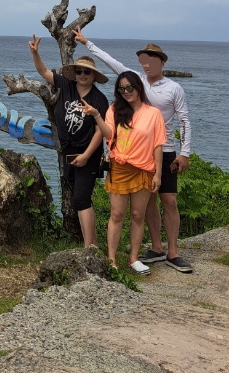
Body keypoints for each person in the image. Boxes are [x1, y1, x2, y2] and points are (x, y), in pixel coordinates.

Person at [73, 29, 193, 273]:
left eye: (152, 60)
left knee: (169, 201)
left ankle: (172, 251)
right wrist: (88, 44)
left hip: (164, 151)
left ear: (162, 62)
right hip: (130, 159)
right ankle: (155, 249)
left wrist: (185, 152)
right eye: (144, 60)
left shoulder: (173, 88)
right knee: (143, 209)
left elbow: (184, 121)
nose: (147, 64)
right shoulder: (133, 81)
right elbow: (111, 62)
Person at [28, 36, 109, 247]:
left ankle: (88, 247)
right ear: (75, 73)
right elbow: (44, 73)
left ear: (94, 75)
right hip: (68, 152)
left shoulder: (99, 99)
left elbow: (100, 132)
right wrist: (35, 52)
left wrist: (86, 156)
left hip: (87, 154)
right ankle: (94, 244)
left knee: (82, 199)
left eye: (87, 72)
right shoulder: (66, 84)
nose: (83, 75)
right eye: (80, 71)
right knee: (79, 199)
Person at [84, 72, 166, 274]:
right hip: (119, 167)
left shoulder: (153, 114)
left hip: (144, 169)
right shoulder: (114, 110)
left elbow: (158, 146)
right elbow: (109, 134)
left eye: (130, 87)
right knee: (117, 214)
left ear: (139, 87)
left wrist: (158, 174)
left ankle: (134, 258)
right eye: (122, 89)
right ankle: (111, 260)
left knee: (138, 215)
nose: (126, 92)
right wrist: (96, 115)